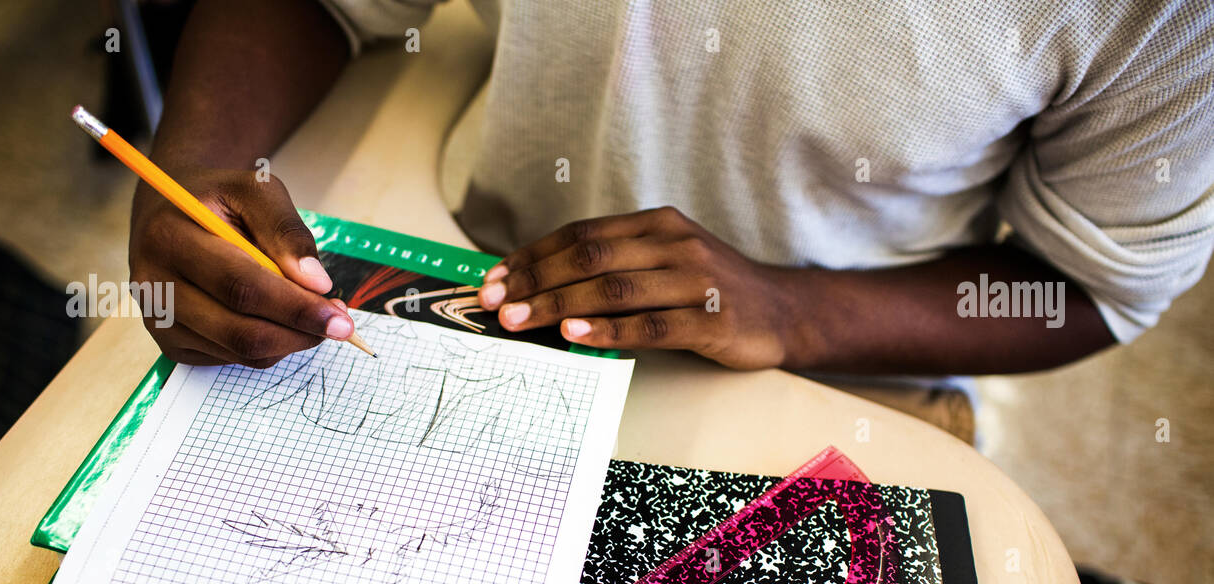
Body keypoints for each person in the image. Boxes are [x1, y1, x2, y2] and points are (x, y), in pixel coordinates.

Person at [129, 0, 1214, 375]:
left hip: (841, 369)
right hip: (468, 274)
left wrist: (795, 313)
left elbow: (1095, 287)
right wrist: (188, 171)